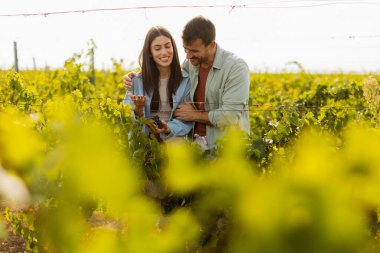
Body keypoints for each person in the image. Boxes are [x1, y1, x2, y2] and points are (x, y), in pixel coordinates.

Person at [124, 16, 250, 150]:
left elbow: (230, 115)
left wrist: (194, 116)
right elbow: (127, 115)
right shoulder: (190, 66)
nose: (188, 56)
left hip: (226, 146)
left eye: (194, 51)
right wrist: (132, 80)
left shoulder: (236, 67)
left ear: (212, 45)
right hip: (195, 144)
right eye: (185, 49)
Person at [123, 26, 193, 142]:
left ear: (173, 47)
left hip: (174, 144)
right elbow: (125, 119)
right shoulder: (136, 81)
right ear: (150, 53)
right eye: (157, 48)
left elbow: (187, 120)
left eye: (167, 46)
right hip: (144, 146)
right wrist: (137, 112)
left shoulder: (185, 81)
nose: (164, 52)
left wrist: (168, 129)